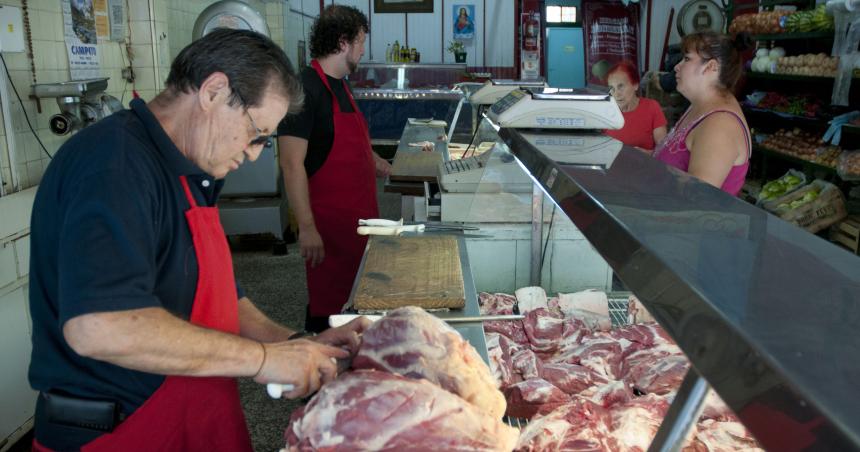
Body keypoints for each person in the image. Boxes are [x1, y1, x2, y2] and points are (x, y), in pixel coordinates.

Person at [28, 29, 370, 451]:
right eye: (257, 133)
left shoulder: (192, 169)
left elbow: (223, 296)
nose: (253, 154)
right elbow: (99, 327)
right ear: (213, 91)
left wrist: (294, 343)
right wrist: (263, 361)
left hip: (195, 408)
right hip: (122, 431)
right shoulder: (113, 167)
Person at [278, 5, 391, 333]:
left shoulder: (340, 83)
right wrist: (307, 227)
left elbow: (346, 142)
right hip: (328, 231)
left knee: (356, 307)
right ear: (343, 42)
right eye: (359, 41)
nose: (362, 49)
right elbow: (291, 163)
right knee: (328, 315)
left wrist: (378, 162)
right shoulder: (305, 89)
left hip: (358, 225)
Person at [653, 32, 752, 196]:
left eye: (686, 59)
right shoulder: (698, 106)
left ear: (711, 67)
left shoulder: (720, 125)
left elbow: (697, 197)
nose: (677, 67)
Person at [604, 61, 668, 152]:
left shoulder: (652, 107)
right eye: (612, 88)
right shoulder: (604, 112)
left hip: (644, 164)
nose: (616, 94)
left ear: (635, 85)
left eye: (621, 86)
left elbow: (663, 151)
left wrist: (648, 154)